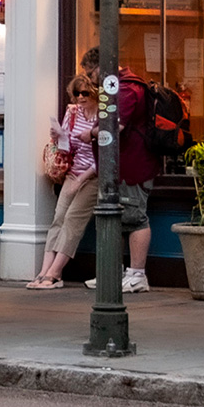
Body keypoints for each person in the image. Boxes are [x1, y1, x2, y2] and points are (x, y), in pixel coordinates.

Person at [80, 47, 155, 295]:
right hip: (121, 166)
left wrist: (90, 132)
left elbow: (115, 127)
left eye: (92, 74)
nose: (91, 81)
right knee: (120, 218)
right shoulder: (119, 87)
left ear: (102, 67)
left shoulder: (125, 88)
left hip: (131, 166)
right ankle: (114, 273)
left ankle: (136, 275)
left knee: (135, 217)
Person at [26, 77, 102, 290]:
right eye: (76, 93)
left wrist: (82, 178)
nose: (80, 98)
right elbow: (68, 148)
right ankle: (44, 271)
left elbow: (108, 153)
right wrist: (60, 136)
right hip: (74, 171)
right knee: (58, 218)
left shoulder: (104, 116)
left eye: (85, 93)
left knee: (72, 220)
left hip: (94, 175)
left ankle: (56, 272)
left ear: (95, 93)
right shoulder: (73, 112)